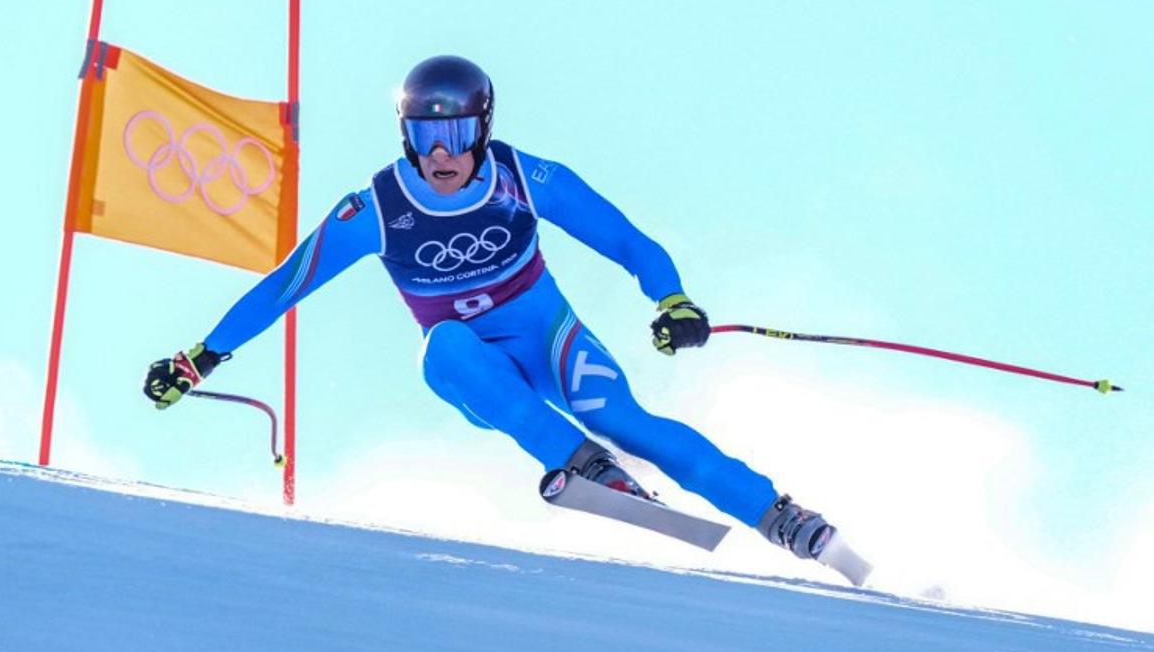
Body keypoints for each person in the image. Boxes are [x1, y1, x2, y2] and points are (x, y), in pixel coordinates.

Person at [143, 55, 844, 573]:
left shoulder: (523, 178)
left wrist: (672, 300)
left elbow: (625, 238)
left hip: (549, 339)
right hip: (480, 372)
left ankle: (782, 516)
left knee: (625, 420)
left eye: (454, 135)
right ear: (404, 135)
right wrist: (200, 357)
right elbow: (281, 288)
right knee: (441, 347)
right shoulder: (375, 209)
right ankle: (586, 468)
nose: (439, 155)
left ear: (484, 127)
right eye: (422, 137)